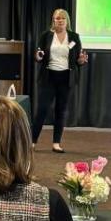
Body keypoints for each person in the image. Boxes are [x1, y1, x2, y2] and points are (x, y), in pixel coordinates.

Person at [32, 8, 86, 153]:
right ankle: (32, 141)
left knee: (60, 111)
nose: (60, 21)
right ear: (53, 20)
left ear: (66, 20)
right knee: (42, 110)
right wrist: (38, 56)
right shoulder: (46, 36)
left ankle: (56, 143)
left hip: (66, 78)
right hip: (49, 76)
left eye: (62, 18)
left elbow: (78, 59)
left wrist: (81, 60)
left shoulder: (74, 37)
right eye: (57, 18)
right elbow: (38, 55)